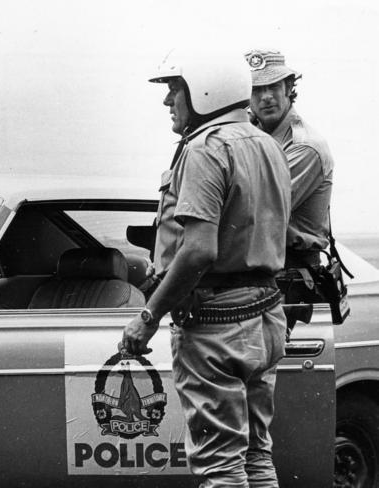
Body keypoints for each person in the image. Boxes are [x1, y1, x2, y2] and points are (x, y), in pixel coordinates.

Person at [121, 49, 291, 488]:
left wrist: (147, 317)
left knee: (220, 466)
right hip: (265, 314)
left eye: (175, 89)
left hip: (218, 324)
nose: (168, 102)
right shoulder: (267, 143)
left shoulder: (206, 149)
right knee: (256, 456)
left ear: (204, 91)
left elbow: (198, 252)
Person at [246, 48, 333, 269]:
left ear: (288, 88)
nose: (266, 97)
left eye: (273, 86)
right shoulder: (252, 134)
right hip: (263, 264)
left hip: (291, 271)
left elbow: (256, 210)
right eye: (256, 89)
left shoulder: (304, 146)